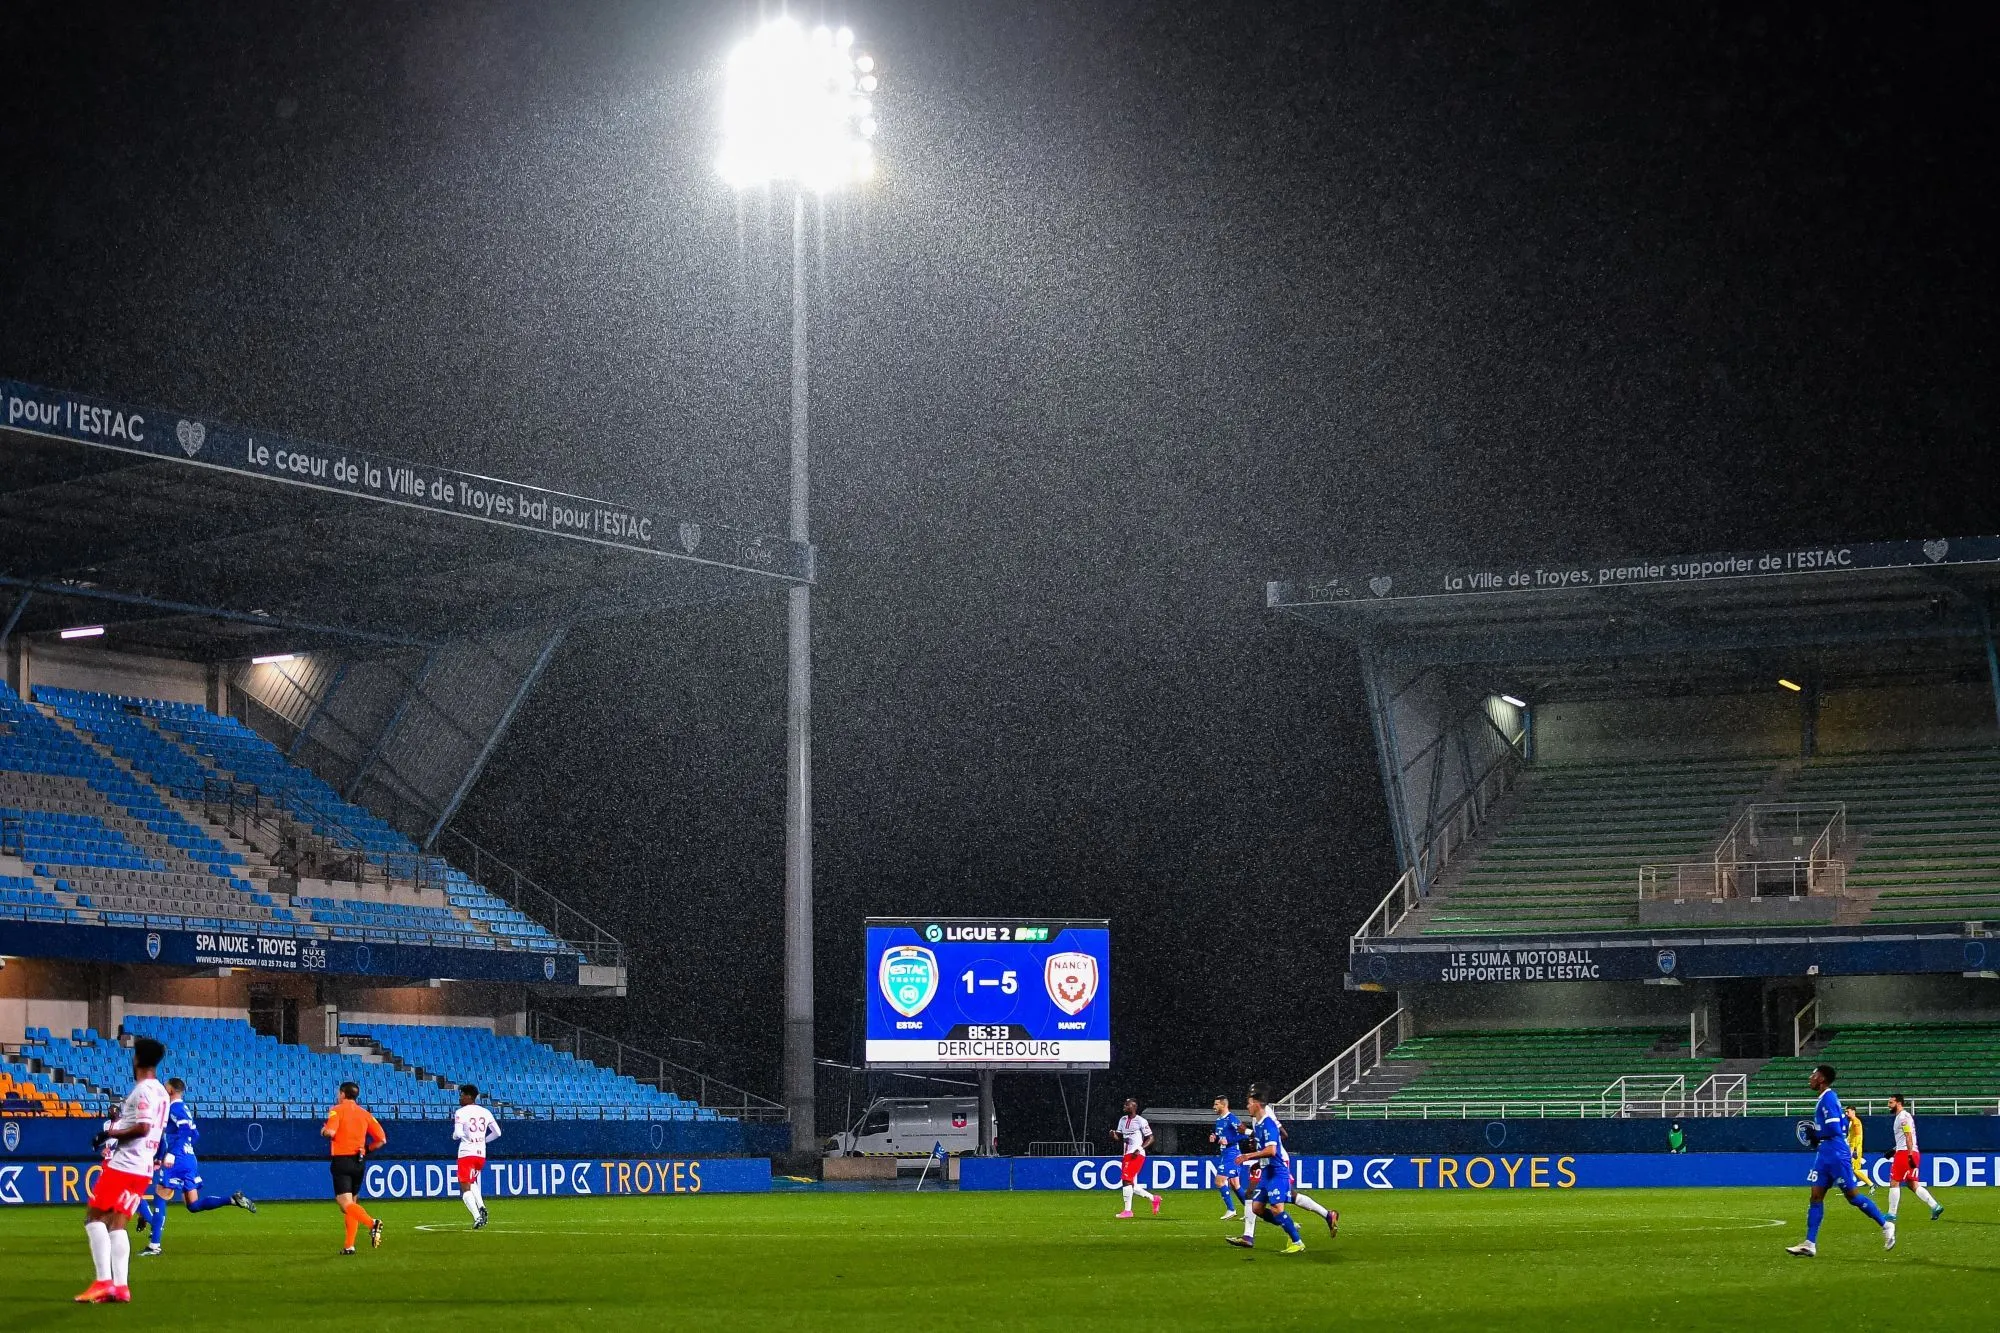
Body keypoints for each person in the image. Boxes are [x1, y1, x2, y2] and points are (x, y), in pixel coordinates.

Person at [75, 1035, 169, 1304]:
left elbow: (142, 1127)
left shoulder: (142, 1091)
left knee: (94, 1219)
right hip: (143, 1168)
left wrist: (109, 1134)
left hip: (125, 1165)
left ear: (137, 1059)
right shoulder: (162, 1092)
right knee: (118, 1224)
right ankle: (121, 1286)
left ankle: (103, 1282)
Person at [135, 1077, 257, 1255]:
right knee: (192, 1205)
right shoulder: (184, 1108)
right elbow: (195, 1134)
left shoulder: (174, 1108)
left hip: (177, 1159)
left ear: (170, 1091)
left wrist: (172, 1152)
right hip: (189, 1158)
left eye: (165, 1088)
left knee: (160, 1196)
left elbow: (185, 1131)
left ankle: (154, 1246)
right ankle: (232, 1200)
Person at [1786, 1064, 1893, 1257]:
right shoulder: (1825, 1099)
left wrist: (1816, 1133)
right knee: (1816, 1196)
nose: (1810, 1078)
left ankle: (1886, 1225)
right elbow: (1843, 1124)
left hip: (1836, 1152)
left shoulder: (1829, 1098)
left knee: (1852, 1197)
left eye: (1813, 1075)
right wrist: (1818, 1137)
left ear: (1821, 1079)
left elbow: (1836, 1129)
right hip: (1825, 1152)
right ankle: (1810, 1243)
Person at [1227, 1085, 1307, 1254]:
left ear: (1257, 1103)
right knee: (1257, 1208)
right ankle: (1290, 1226)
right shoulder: (1259, 1124)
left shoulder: (1269, 1124)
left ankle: (1297, 1241)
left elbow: (1271, 1151)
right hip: (1267, 1172)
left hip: (1277, 1171)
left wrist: (1248, 1157)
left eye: (1249, 1103)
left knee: (1278, 1208)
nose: (1247, 1106)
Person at [322, 1080, 386, 1255]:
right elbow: (381, 1139)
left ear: (342, 1094)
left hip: (342, 1161)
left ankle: (373, 1223)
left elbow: (331, 1132)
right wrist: (366, 1149)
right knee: (352, 1204)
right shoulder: (365, 1114)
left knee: (345, 1204)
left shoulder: (337, 1110)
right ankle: (349, 1246)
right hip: (359, 1161)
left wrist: (324, 1131)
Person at [1886, 1093, 1943, 1223]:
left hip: (1906, 1153)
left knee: (1894, 1181)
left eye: (1891, 1102)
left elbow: (1908, 1136)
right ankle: (1935, 1206)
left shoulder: (1903, 1117)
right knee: (1912, 1184)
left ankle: (1891, 1213)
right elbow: (1906, 1137)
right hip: (1908, 1151)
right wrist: (1894, 1150)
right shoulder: (1903, 1117)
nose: (1888, 1105)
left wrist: (1909, 1154)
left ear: (1898, 1103)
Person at [451, 1084, 502, 1229]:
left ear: (468, 1096)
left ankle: (477, 1217)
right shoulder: (485, 1112)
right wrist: (483, 1141)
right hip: (481, 1154)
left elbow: (458, 1133)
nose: (460, 1098)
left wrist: (457, 1136)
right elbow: (497, 1133)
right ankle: (481, 1206)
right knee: (472, 1182)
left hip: (466, 1153)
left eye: (462, 1095)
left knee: (465, 1186)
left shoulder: (461, 1112)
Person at [1110, 1098, 1160, 1219]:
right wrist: (1114, 1135)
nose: (1124, 1106)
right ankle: (1154, 1199)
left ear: (1134, 1107)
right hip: (1126, 1154)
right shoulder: (1122, 1120)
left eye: (1127, 1104)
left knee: (1126, 1180)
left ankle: (1128, 1211)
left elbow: (1151, 1138)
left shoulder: (1141, 1121)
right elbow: (1120, 1138)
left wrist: (1140, 1148)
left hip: (1136, 1154)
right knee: (1131, 1184)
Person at [1210, 1095, 1248, 1219]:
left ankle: (1231, 1209)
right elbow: (1220, 1137)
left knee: (1219, 1181)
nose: (1213, 1107)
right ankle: (1251, 1211)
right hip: (1225, 1153)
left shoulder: (1232, 1119)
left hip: (1232, 1154)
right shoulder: (1219, 1120)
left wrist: (1229, 1140)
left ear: (1224, 1105)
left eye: (1216, 1104)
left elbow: (1244, 1134)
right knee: (1235, 1185)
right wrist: (1214, 1138)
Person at [1845, 1105, 1870, 1191]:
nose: (1846, 1113)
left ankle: (1871, 1184)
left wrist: (1855, 1150)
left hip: (1855, 1148)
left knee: (1855, 1169)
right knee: (1850, 1167)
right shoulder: (1852, 1122)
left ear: (1853, 1111)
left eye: (1848, 1112)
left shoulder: (1856, 1122)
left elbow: (1858, 1136)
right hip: (1851, 1148)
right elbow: (1851, 1136)